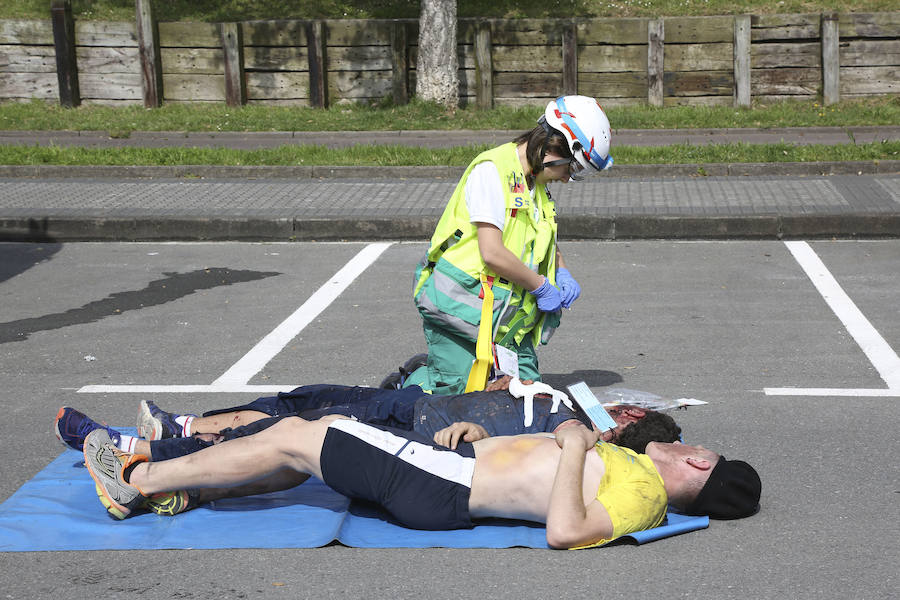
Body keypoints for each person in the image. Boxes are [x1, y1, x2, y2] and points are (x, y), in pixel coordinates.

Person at [80, 416, 761, 549]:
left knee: (299, 433)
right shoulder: (638, 476)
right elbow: (540, 474)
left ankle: (138, 482)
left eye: (698, 446)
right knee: (306, 451)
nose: (683, 441)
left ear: (699, 466)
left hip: (445, 487)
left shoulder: (643, 499)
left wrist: (578, 438)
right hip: (450, 471)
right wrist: (480, 434)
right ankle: (187, 489)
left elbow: (564, 530)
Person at [405, 96, 613, 395]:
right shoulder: (492, 171)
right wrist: (540, 285)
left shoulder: (536, 185)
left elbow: (543, 242)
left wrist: (562, 272)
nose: (568, 179)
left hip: (507, 326)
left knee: (528, 401)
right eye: (572, 169)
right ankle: (412, 383)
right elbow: (492, 252)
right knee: (456, 403)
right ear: (554, 146)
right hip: (461, 312)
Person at [54, 382, 681, 460]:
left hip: (420, 430)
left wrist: (481, 430)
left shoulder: (573, 440)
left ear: (625, 426)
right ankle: (183, 424)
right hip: (417, 400)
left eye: (627, 412)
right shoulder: (569, 403)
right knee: (300, 399)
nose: (618, 405)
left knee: (289, 431)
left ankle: (145, 449)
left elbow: (505, 445)